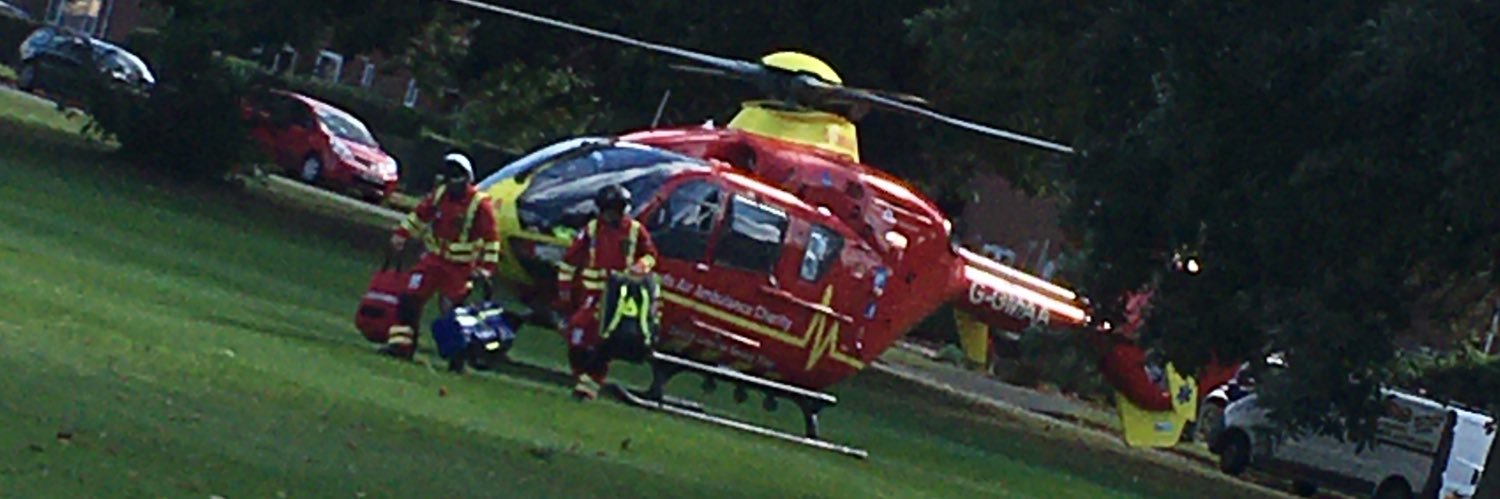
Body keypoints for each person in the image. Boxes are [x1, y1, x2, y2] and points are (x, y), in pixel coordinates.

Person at [380, 152, 502, 360]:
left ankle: (456, 357)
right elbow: (419, 216)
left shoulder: (480, 205)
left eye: (456, 176)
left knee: (451, 312)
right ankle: (401, 346)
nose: (451, 181)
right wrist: (402, 235)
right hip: (433, 260)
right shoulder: (439, 196)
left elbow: (491, 240)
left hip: (460, 268)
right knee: (410, 297)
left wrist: (486, 269)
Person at [554, 184, 659, 400]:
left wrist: (641, 266)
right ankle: (583, 378)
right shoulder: (592, 230)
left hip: (619, 297)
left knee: (607, 341)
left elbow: (650, 255)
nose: (613, 216)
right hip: (591, 295)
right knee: (577, 336)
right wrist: (564, 291)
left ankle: (588, 386)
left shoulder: (635, 231)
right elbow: (570, 260)